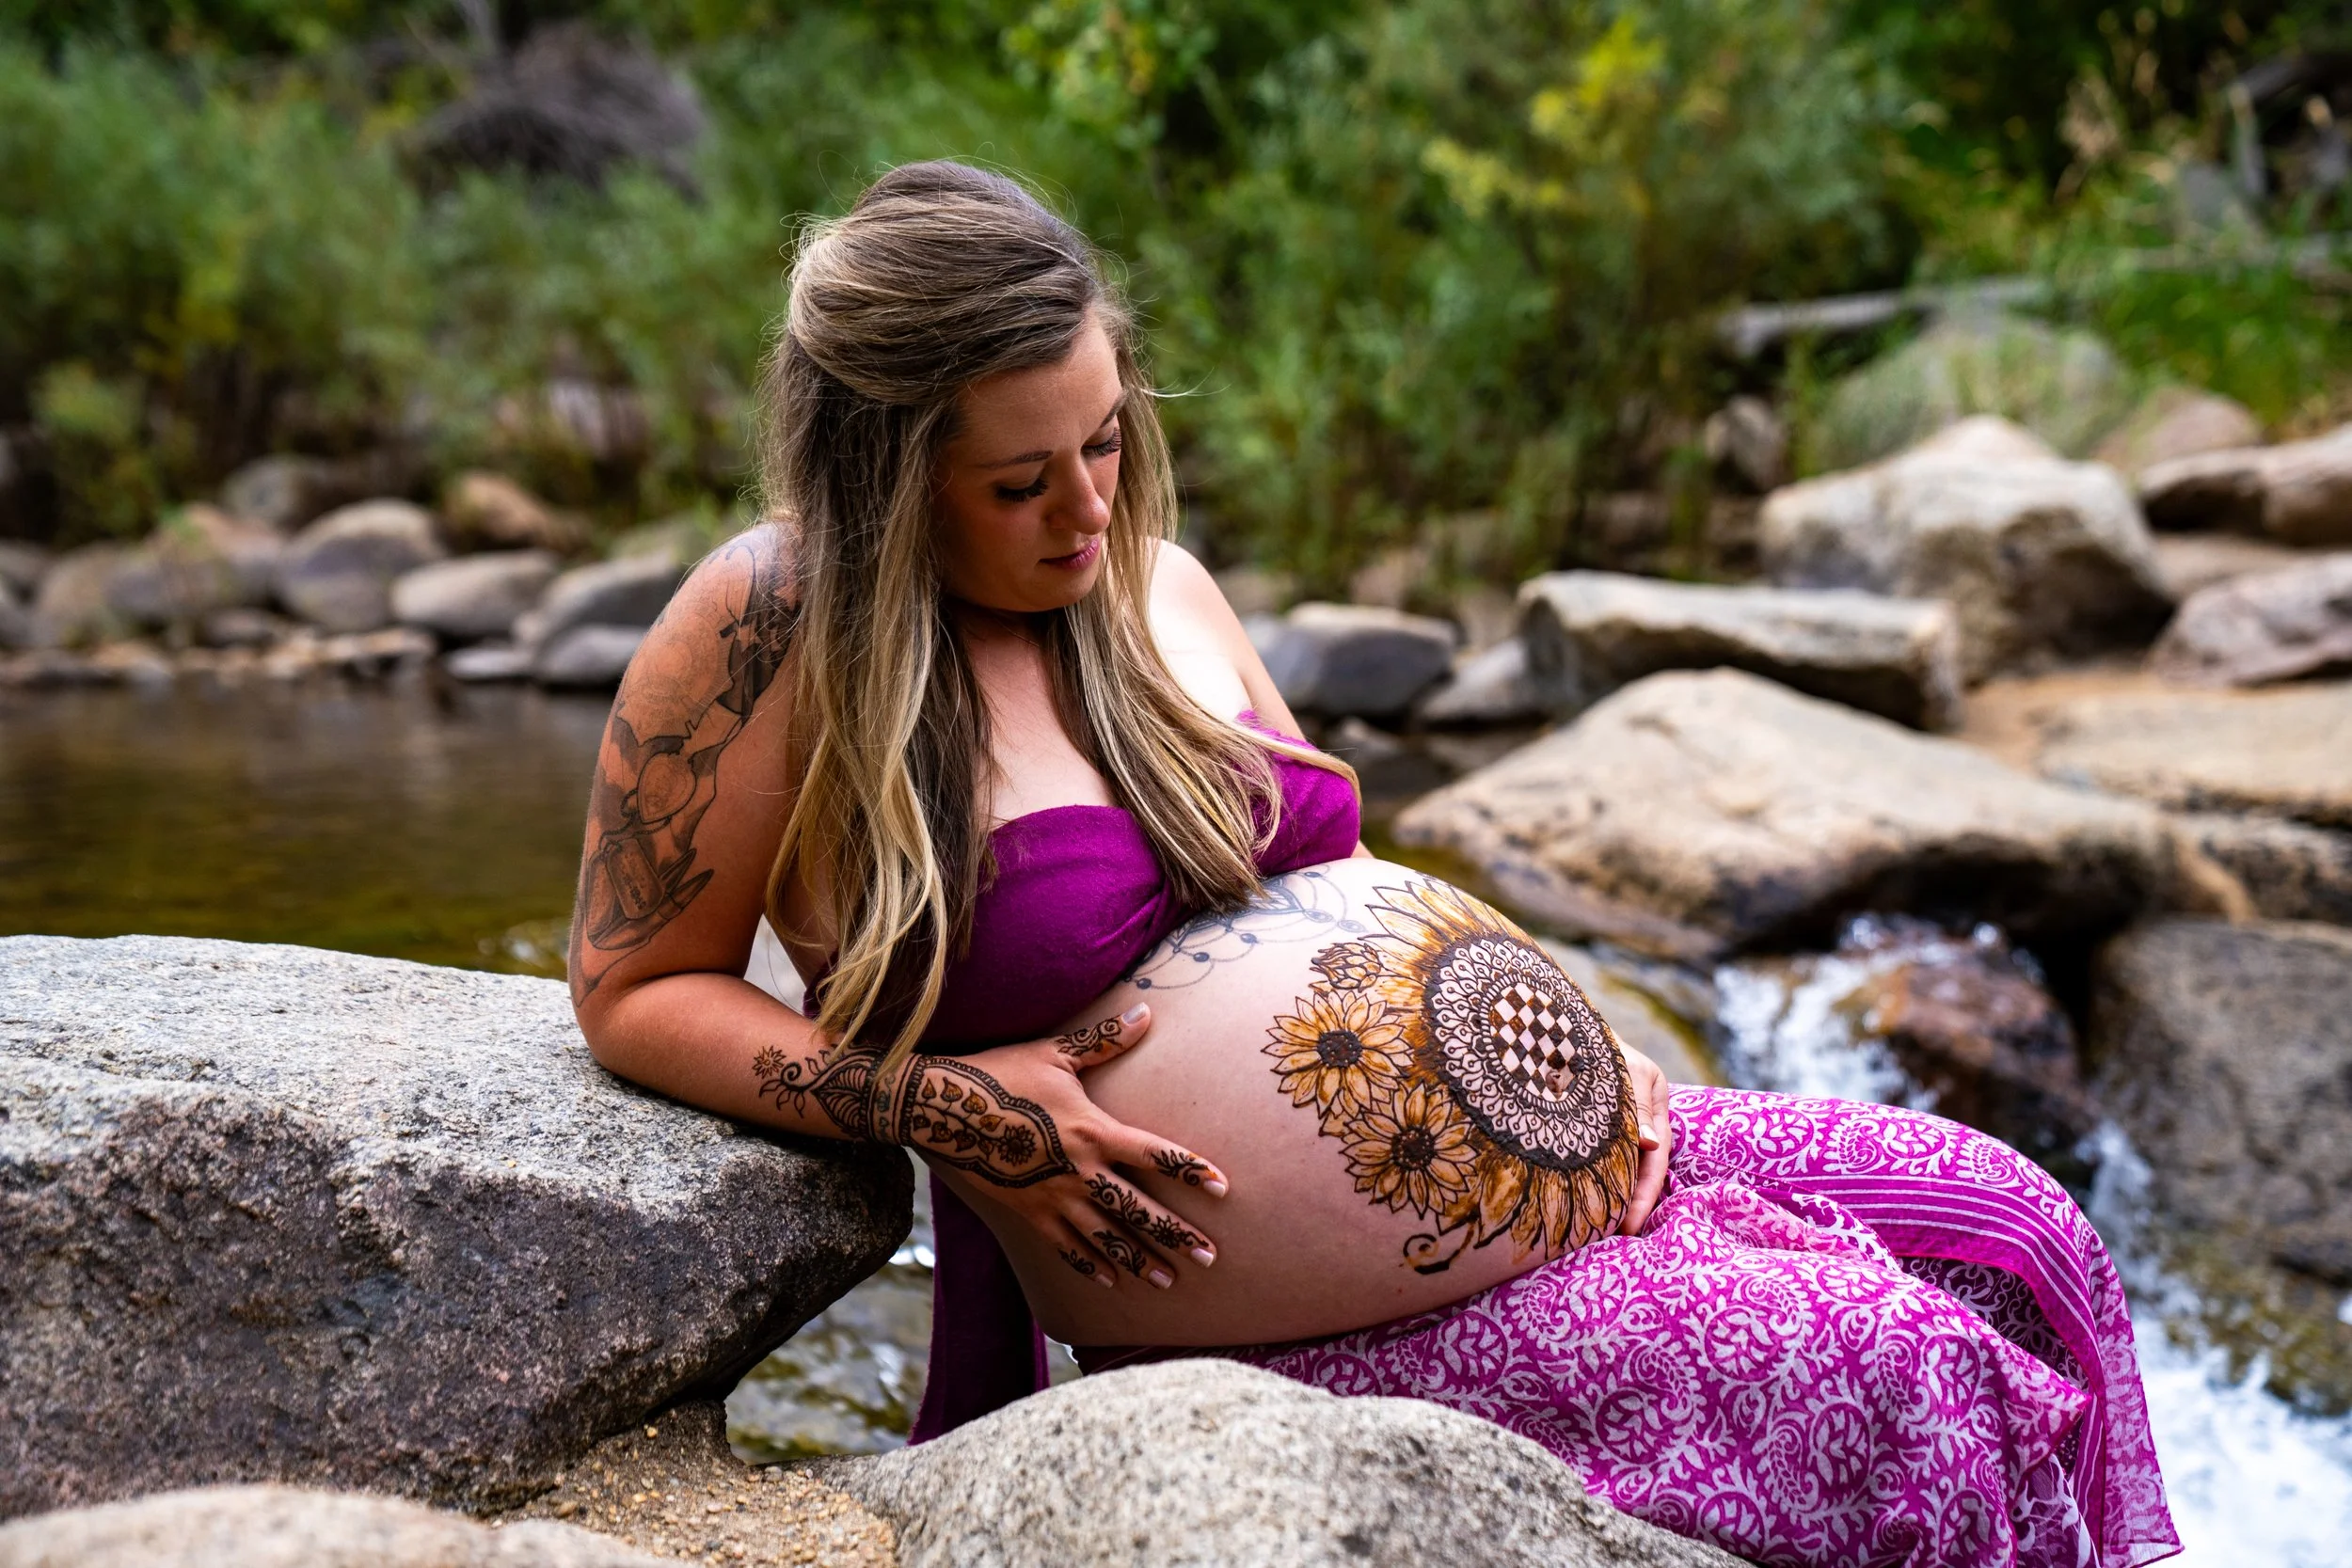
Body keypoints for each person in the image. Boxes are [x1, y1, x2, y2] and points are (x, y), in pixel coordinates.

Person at [567, 160, 2177, 1568]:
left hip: (1592, 1145)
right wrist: (948, 1104)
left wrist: (1550, 1057)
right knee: (1893, 1367)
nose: (1087, 507)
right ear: (882, 473)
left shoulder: (1150, 583)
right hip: (1285, 1310)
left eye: (1109, 442)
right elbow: (635, 987)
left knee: (2014, 1225)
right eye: (1019, 480)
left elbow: (1325, 896)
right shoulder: (774, 631)